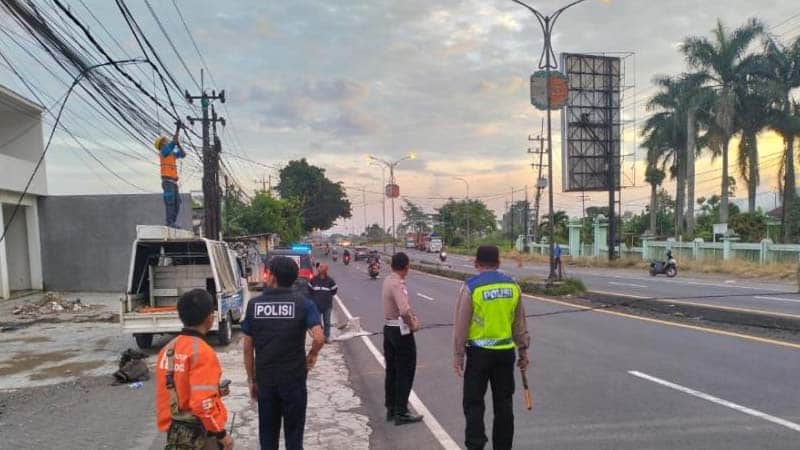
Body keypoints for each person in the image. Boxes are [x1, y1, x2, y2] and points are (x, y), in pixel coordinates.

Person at [243, 256, 325, 450]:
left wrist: (251, 379)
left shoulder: (255, 306)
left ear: (272, 277)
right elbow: (319, 337)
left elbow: (248, 348)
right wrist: (311, 356)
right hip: (294, 380)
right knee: (294, 438)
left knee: (268, 437)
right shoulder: (304, 304)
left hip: (266, 380)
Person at [453, 245, 530, 450]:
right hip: (505, 354)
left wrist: (458, 356)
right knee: (504, 405)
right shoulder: (513, 286)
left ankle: (476, 445)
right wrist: (523, 352)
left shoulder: (471, 287)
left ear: (477, 264)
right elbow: (519, 324)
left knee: (474, 403)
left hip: (479, 355)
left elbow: (461, 326)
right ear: (498, 263)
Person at [155, 289, 234, 450]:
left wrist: (216, 391)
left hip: (175, 432)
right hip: (201, 434)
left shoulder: (168, 349)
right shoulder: (202, 353)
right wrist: (221, 434)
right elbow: (202, 404)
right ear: (209, 317)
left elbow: (178, 388)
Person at [382, 252, 423, 425]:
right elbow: (404, 310)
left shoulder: (387, 280)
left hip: (389, 329)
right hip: (401, 332)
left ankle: (391, 408)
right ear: (406, 267)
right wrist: (413, 324)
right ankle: (402, 411)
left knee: (392, 370)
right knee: (405, 370)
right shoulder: (398, 284)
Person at [155, 126, 186, 228]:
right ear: (162, 144)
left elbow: (183, 154)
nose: (166, 142)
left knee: (177, 203)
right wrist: (177, 129)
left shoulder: (171, 154)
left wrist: (179, 145)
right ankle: (169, 223)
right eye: (165, 141)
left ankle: (172, 222)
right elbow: (172, 143)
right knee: (170, 202)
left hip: (173, 183)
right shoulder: (163, 152)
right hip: (167, 182)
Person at [308, 262, 338, 343]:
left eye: (322, 267)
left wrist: (327, 297)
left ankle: (326, 337)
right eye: (320, 267)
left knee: (327, 322)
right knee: (317, 323)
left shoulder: (330, 281)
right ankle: (319, 337)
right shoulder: (313, 280)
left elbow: (334, 291)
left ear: (326, 269)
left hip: (327, 305)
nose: (320, 268)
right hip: (316, 305)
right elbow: (309, 290)